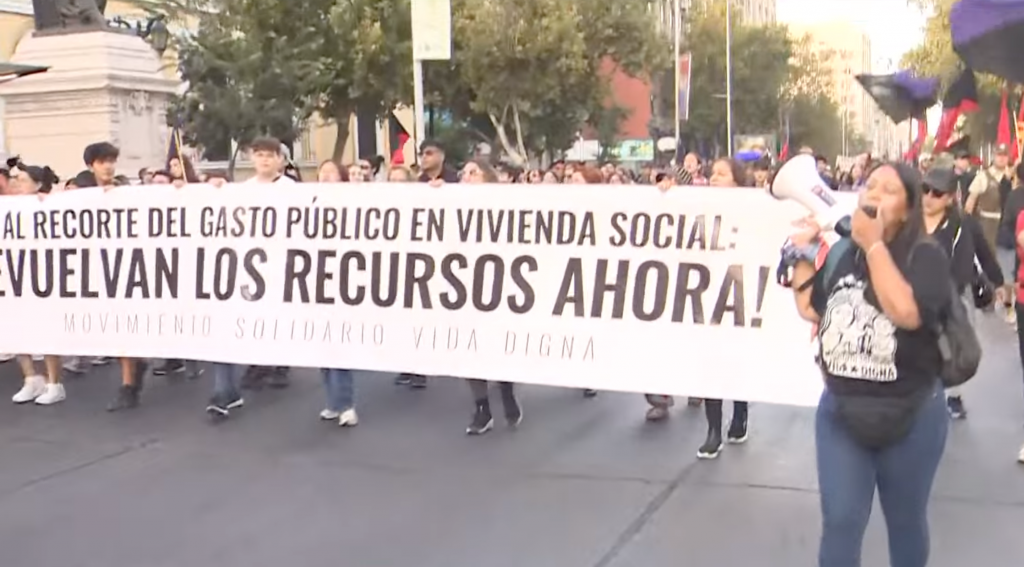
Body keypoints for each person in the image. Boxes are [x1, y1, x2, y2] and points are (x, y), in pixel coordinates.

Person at [789, 161, 951, 567]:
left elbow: (907, 314)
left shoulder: (927, 256)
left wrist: (874, 246)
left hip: (912, 413)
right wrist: (802, 253)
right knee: (841, 522)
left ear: (908, 210)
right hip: (842, 412)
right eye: (871, 185)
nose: (875, 194)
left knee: (905, 522)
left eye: (889, 190)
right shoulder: (844, 252)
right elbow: (811, 309)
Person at [920, 168, 1003, 419]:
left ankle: (953, 396)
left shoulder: (964, 224)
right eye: (925, 190)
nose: (929, 197)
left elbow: (984, 253)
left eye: (937, 193)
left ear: (949, 198)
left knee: (954, 347)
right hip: (917, 294)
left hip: (955, 295)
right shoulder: (909, 222)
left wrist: (999, 282)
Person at [5, 160, 66, 405]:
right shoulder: (8, 208)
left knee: (45, 330)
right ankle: (31, 379)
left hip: (42, 276)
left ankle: (54, 383)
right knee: (17, 329)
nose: (16, 184)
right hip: (14, 274)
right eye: (15, 180)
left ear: (38, 184)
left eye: (22, 180)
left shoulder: (50, 206)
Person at [965, 143, 1015, 324]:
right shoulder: (983, 177)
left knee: (1010, 266)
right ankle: (990, 297)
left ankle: (1009, 306)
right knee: (990, 262)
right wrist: (967, 224)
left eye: (1004, 155)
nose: (1001, 158)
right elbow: (970, 202)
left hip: (1009, 225)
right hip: (988, 224)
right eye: (998, 155)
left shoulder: (1014, 177)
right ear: (993, 156)